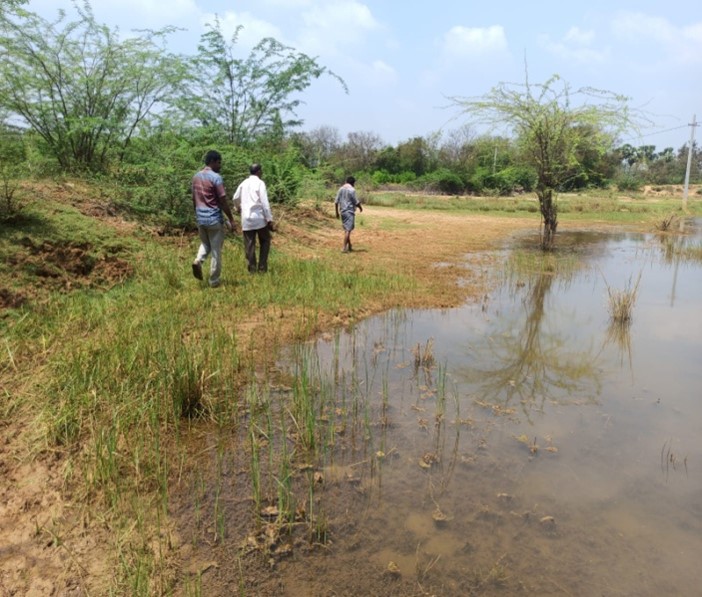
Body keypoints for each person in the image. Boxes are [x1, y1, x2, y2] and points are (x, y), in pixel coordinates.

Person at [191, 150, 235, 288]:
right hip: (214, 219)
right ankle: (214, 281)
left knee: (205, 244)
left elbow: (194, 199)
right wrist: (231, 219)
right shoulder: (216, 178)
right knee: (216, 251)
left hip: (201, 218)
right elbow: (222, 200)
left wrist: (197, 214)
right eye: (219, 162)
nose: (220, 166)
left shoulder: (196, 177)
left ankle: (198, 260)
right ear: (213, 162)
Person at [232, 163, 274, 273]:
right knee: (265, 240)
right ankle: (262, 267)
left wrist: (238, 208)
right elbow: (265, 203)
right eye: (261, 171)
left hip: (246, 218)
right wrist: (269, 219)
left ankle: (252, 269)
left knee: (249, 244)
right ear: (258, 171)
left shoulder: (243, 183)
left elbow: (235, 197)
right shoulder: (260, 183)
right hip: (259, 217)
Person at [334, 175, 362, 253]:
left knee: (347, 229)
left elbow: (336, 202)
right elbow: (356, 201)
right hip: (349, 211)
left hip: (342, 211)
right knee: (348, 230)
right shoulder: (352, 190)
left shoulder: (340, 189)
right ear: (353, 183)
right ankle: (344, 248)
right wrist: (360, 207)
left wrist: (336, 213)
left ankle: (349, 246)